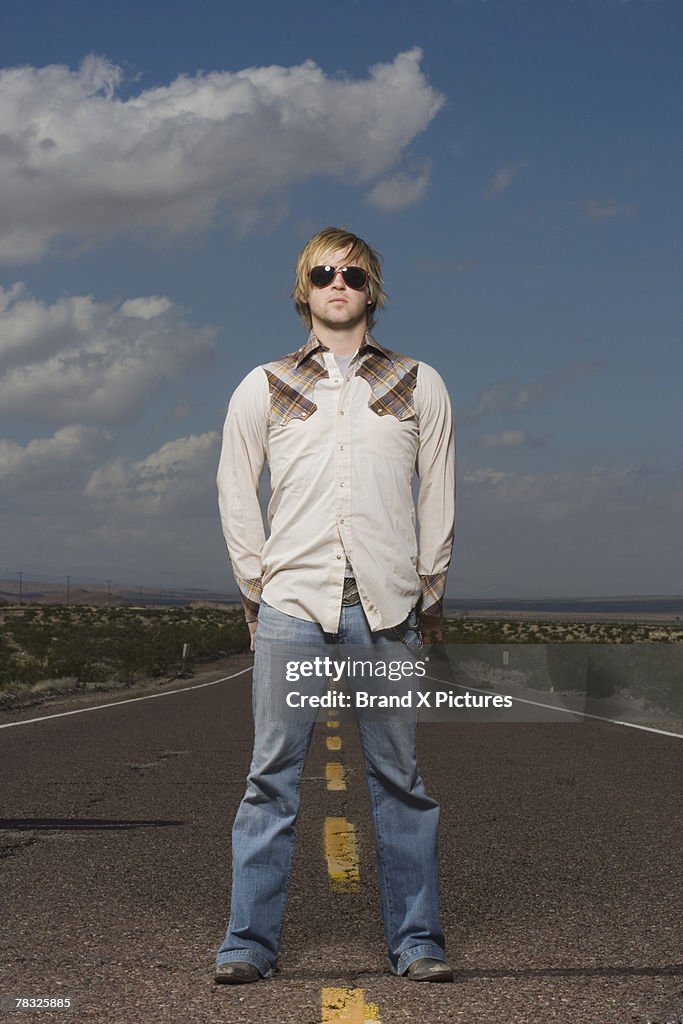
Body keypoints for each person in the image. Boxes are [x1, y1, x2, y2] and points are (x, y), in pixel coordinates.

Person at [215, 227, 456, 984]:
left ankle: (416, 941)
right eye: (323, 273)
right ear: (304, 290)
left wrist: (429, 587)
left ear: (372, 288)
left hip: (386, 609)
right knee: (270, 779)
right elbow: (234, 489)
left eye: (352, 272)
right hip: (291, 604)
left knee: (398, 781)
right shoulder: (265, 384)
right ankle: (247, 945)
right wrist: (258, 588)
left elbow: (438, 493)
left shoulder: (418, 382)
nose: (337, 282)